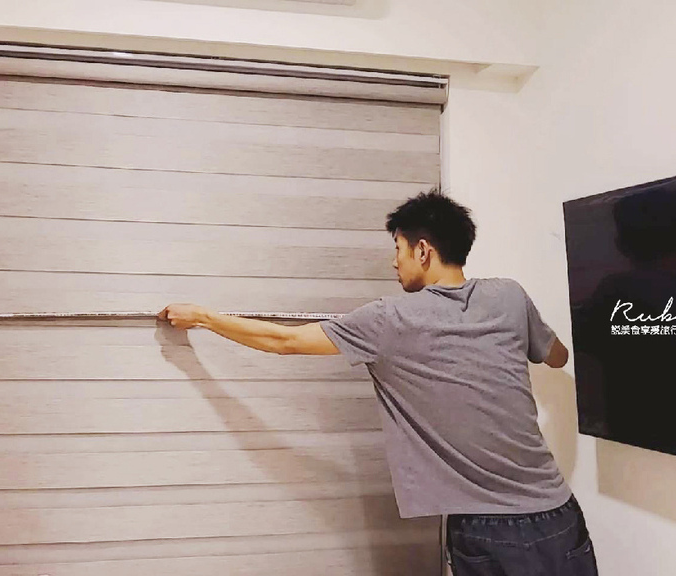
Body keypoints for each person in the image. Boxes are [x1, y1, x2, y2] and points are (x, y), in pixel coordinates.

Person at [159, 189, 599, 575]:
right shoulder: (509, 296)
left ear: (423, 251)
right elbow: (558, 356)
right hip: (558, 511)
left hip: (487, 529)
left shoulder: (390, 319)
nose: (394, 262)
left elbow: (284, 341)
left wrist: (203, 317)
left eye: (398, 248)